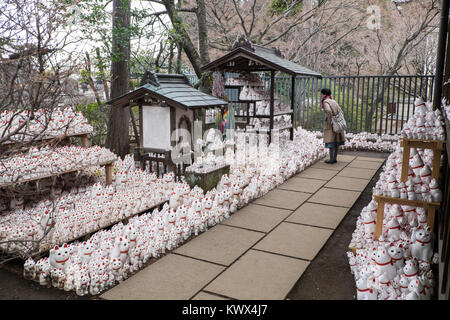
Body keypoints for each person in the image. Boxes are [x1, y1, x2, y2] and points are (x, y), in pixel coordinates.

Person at [320, 88, 345, 164]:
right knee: (336, 141)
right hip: (337, 123)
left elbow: (328, 111)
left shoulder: (326, 102)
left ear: (324, 94)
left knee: (330, 141)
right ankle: (334, 158)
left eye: (321, 94)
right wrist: (338, 119)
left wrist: (330, 120)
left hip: (331, 124)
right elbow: (341, 111)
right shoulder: (333, 101)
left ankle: (331, 159)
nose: (321, 96)